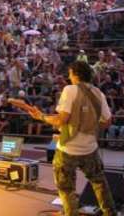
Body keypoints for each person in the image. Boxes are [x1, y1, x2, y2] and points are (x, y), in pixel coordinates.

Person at [27, 61, 117, 216]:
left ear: (75, 74)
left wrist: (41, 116)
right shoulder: (98, 93)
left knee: (66, 189)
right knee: (99, 183)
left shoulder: (69, 90)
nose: (69, 77)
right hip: (90, 149)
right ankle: (110, 213)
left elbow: (61, 119)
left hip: (68, 149)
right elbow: (107, 121)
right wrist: (90, 128)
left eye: (70, 74)